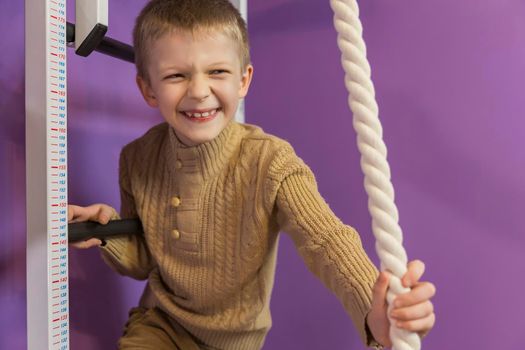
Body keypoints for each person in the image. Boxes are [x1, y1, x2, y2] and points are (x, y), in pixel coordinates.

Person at [69, 0, 436, 349]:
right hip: (160, 323)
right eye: (176, 75)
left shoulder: (270, 161)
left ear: (243, 81)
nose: (199, 91)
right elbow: (143, 261)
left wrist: (375, 311)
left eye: (217, 72)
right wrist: (106, 231)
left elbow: (326, 241)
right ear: (148, 88)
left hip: (233, 340)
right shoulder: (138, 158)